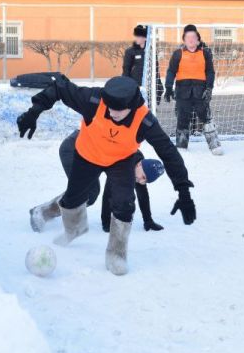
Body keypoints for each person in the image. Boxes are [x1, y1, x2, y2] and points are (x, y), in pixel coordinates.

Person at [16, 75, 195, 275]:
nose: (112, 113)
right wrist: (34, 112)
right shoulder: (93, 100)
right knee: (78, 198)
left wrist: (183, 191)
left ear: (132, 106)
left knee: (124, 201)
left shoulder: (144, 120)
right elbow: (59, 87)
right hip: (87, 154)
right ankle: (65, 224)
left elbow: (168, 152)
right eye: (110, 107)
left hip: (120, 161)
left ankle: (117, 255)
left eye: (118, 110)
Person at [29, 131, 165, 234]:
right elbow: (109, 193)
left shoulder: (138, 165)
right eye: (143, 177)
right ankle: (41, 212)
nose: (141, 181)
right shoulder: (124, 163)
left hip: (88, 153)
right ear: (140, 165)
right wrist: (106, 223)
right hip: (74, 148)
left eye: (145, 180)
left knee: (88, 193)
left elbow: (142, 192)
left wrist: (148, 220)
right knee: (88, 192)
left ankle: (50, 210)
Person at [163, 24, 223, 155]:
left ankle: (214, 145)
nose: (191, 39)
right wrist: (168, 87)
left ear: (198, 39)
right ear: (184, 39)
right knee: (182, 117)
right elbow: (171, 71)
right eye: (188, 37)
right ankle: (181, 146)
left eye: (193, 37)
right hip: (182, 91)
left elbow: (210, 72)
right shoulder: (178, 54)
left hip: (201, 91)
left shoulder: (205, 53)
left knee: (206, 117)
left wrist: (209, 88)